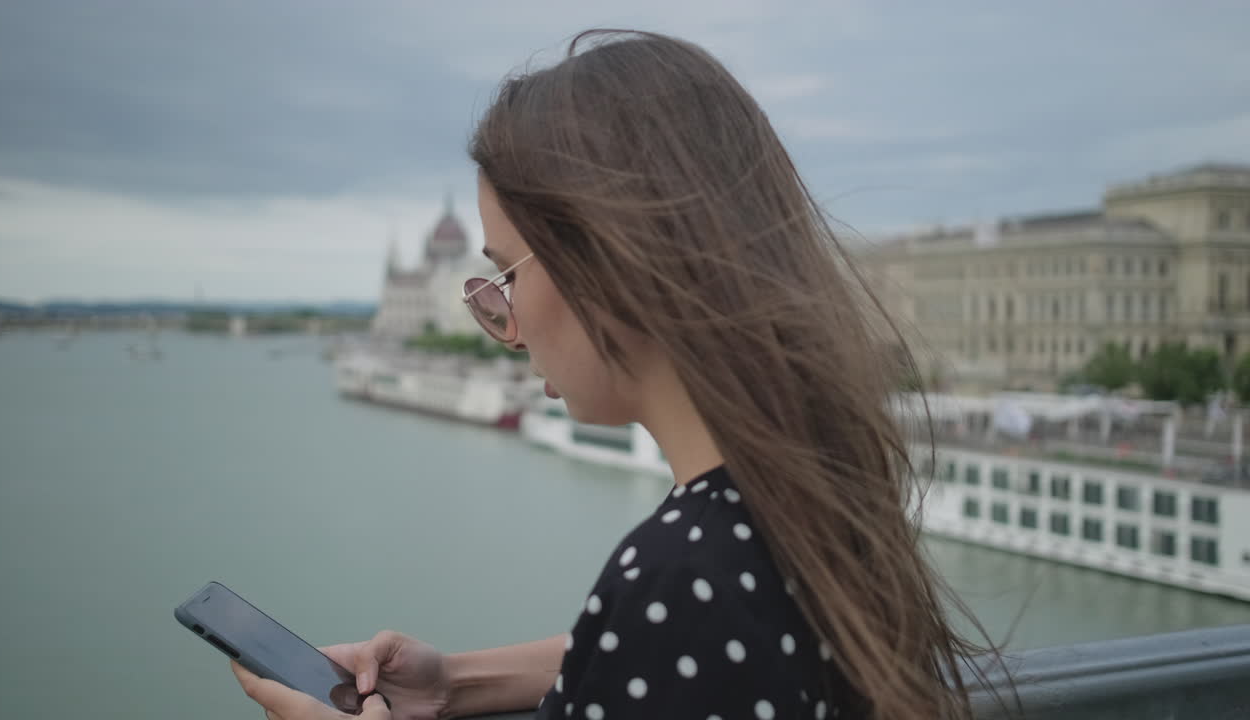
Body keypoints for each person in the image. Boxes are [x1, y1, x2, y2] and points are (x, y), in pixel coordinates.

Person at [233, 29, 1005, 720]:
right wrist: (457, 682)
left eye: (508, 275)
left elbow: (671, 635)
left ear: (605, 261)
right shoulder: (809, 494)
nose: (509, 325)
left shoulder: (677, 574)